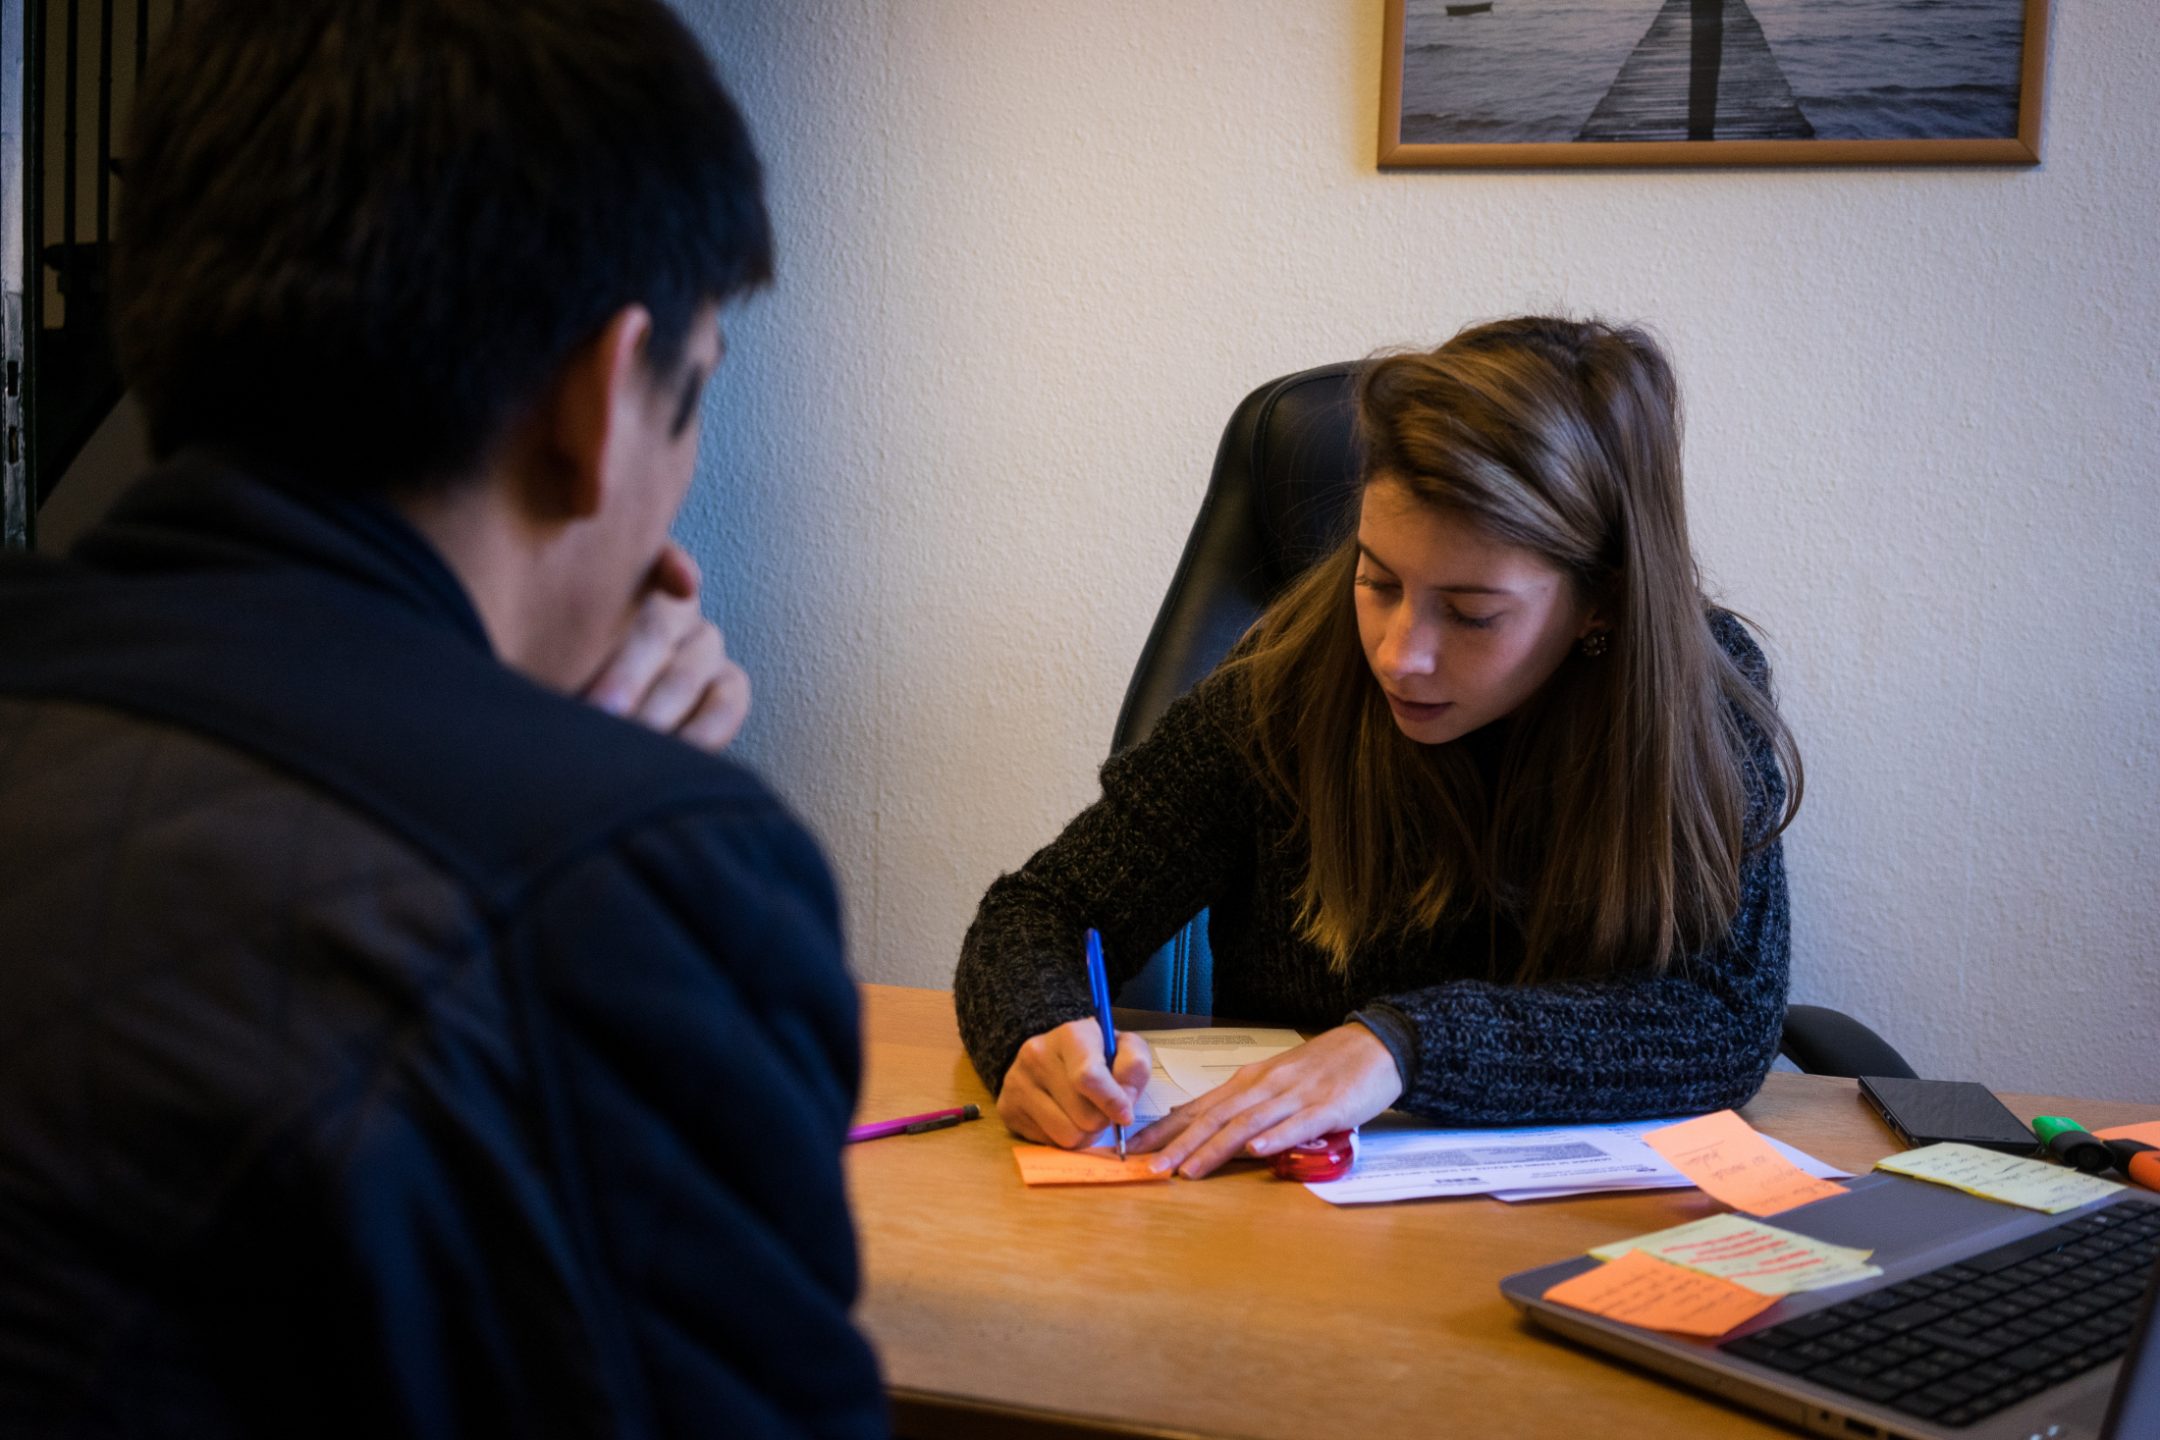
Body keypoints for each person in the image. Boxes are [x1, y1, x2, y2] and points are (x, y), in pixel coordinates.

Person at [0, 2, 883, 1436]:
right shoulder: (636, 883)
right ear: (603, 398)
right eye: (697, 388)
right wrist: (602, 835)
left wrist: (549, 788)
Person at [955, 316, 1803, 1181]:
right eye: (1378, 580)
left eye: (1472, 613)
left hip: (1599, 1233)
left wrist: (1402, 1046)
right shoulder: (1282, 686)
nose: (1400, 654)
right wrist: (1036, 1030)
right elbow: (1042, 912)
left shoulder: (1696, 698)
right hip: (1283, 1231)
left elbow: (1724, 1023)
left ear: (1603, 601)